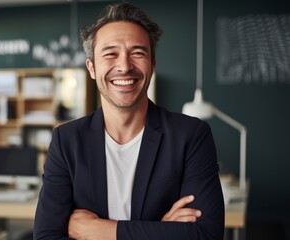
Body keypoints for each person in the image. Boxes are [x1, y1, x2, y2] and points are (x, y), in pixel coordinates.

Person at [33, 2, 224, 239]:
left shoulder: (191, 135)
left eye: (138, 53)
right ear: (92, 68)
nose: (124, 66)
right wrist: (161, 230)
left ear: (152, 65)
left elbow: (205, 234)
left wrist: (102, 230)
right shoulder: (66, 140)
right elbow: (46, 236)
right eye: (110, 54)